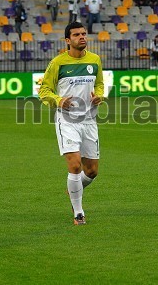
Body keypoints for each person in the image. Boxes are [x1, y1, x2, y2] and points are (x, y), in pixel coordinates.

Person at [38, 21, 104, 226]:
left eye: (84, 34)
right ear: (68, 40)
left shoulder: (95, 60)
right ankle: (78, 213)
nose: (82, 37)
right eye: (76, 35)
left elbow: (100, 84)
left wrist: (99, 96)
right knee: (75, 166)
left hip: (89, 120)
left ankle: (74, 188)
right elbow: (44, 91)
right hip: (66, 120)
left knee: (91, 171)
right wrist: (59, 100)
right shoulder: (58, 63)